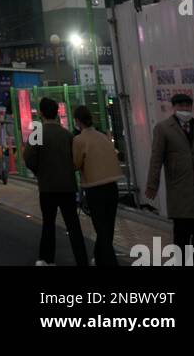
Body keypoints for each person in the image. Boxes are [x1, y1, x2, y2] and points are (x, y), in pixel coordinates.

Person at [23, 97, 88, 267]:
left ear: (42, 113)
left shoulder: (38, 133)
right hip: (67, 186)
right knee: (73, 225)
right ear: (57, 113)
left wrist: (39, 171)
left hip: (47, 187)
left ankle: (47, 259)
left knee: (48, 223)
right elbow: (76, 159)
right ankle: (82, 260)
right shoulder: (67, 134)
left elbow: (28, 158)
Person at [145, 92, 194, 249]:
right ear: (174, 107)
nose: (184, 108)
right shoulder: (163, 129)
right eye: (181, 105)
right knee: (182, 241)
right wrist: (152, 185)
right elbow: (156, 159)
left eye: (187, 105)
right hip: (181, 195)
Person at [72, 105, 122, 267]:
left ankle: (110, 263)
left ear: (78, 121)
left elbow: (75, 164)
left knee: (101, 229)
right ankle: (99, 258)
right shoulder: (103, 137)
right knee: (108, 228)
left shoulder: (79, 140)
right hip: (112, 186)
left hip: (95, 188)